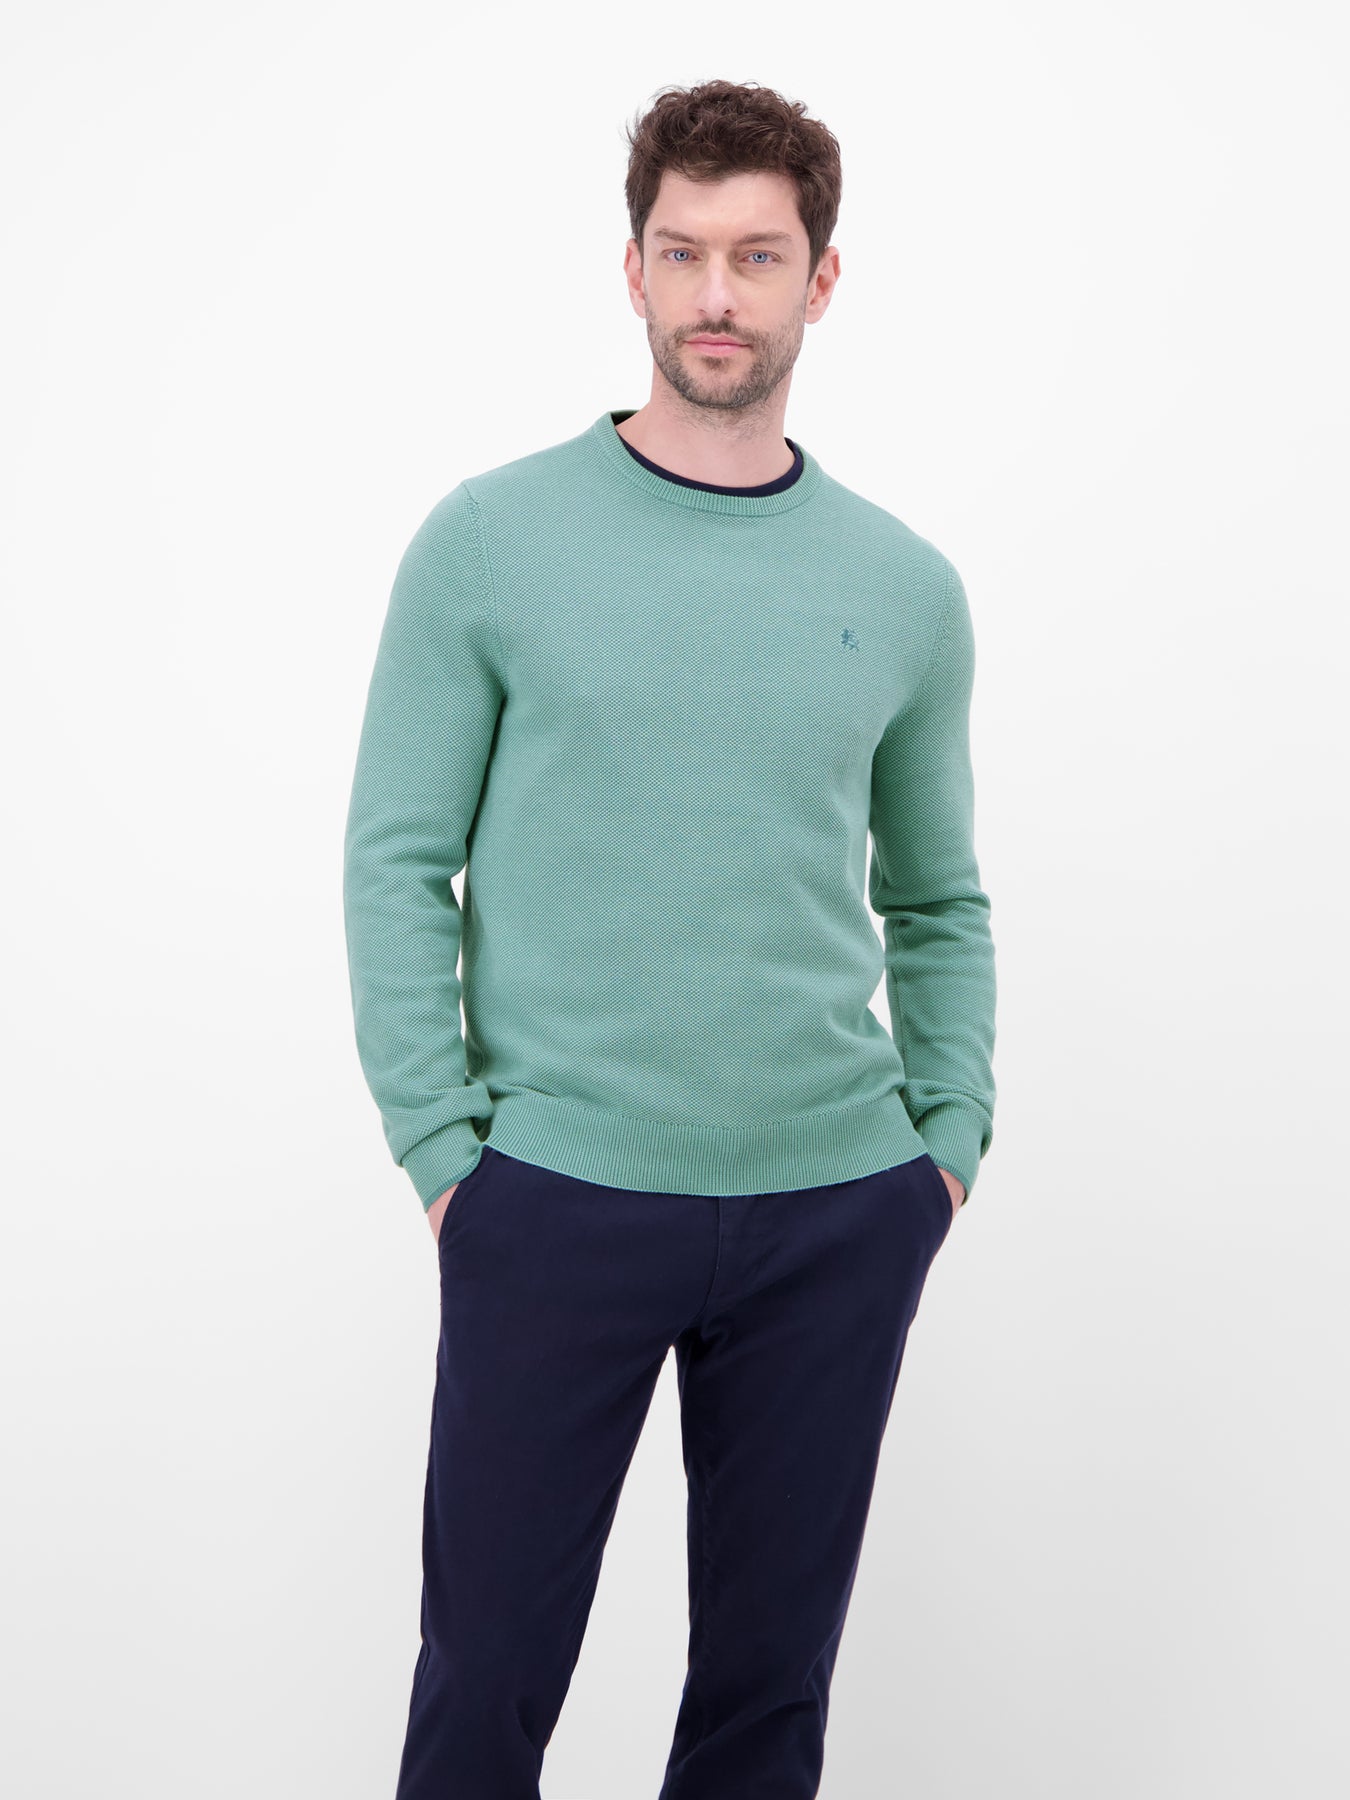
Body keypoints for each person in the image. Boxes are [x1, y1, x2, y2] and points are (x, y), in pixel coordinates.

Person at [343, 76, 997, 1800]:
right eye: (683, 251)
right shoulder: (488, 543)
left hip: (834, 1207)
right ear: (630, 267)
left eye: (757, 256)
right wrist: (445, 1153)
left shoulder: (906, 586)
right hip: (552, 1197)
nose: (717, 294)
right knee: (484, 1688)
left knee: (766, 1706)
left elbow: (936, 896)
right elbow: (396, 860)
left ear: (820, 281)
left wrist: (942, 1145)